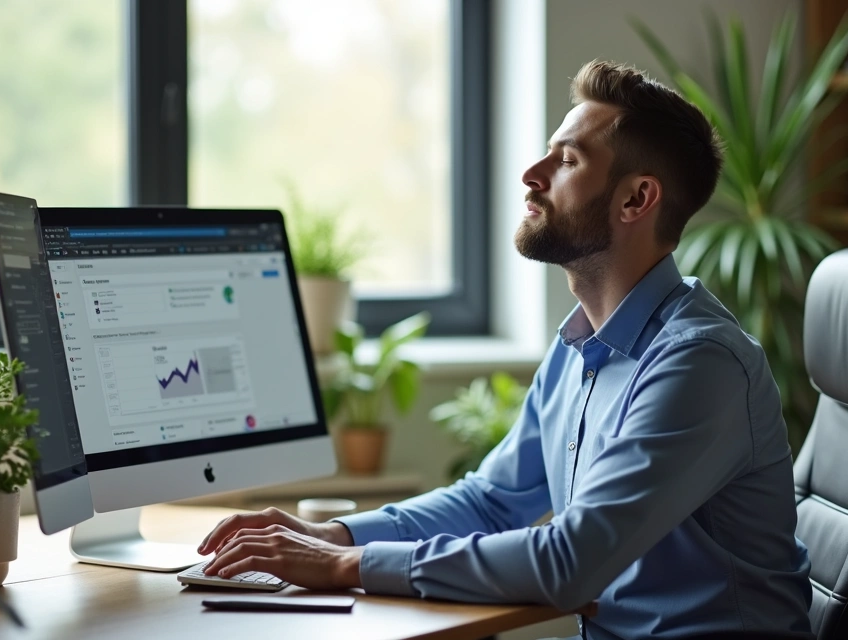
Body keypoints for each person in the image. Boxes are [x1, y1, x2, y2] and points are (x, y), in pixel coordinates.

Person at [196, 60, 812, 639]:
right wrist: (329, 534)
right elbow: (492, 501)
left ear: (635, 200)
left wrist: (343, 565)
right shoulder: (580, 345)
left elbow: (570, 562)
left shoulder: (698, 362)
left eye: (566, 160)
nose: (532, 175)